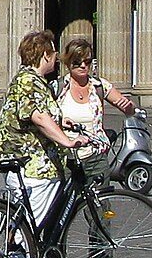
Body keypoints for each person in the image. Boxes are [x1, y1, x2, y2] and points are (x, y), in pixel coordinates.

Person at [0, 28, 86, 229]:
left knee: (32, 225)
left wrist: (61, 122)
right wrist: (67, 141)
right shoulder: (29, 81)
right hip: (33, 167)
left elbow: (31, 114)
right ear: (45, 54)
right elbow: (37, 116)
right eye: (54, 54)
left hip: (35, 165)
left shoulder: (32, 80)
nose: (56, 59)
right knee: (30, 227)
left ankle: (28, 255)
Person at [54, 37, 136, 186]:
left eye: (88, 61)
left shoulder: (99, 85)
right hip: (65, 157)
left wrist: (129, 108)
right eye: (77, 62)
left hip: (95, 156)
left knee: (100, 204)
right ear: (68, 62)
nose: (83, 66)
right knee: (66, 206)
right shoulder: (58, 88)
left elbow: (128, 109)